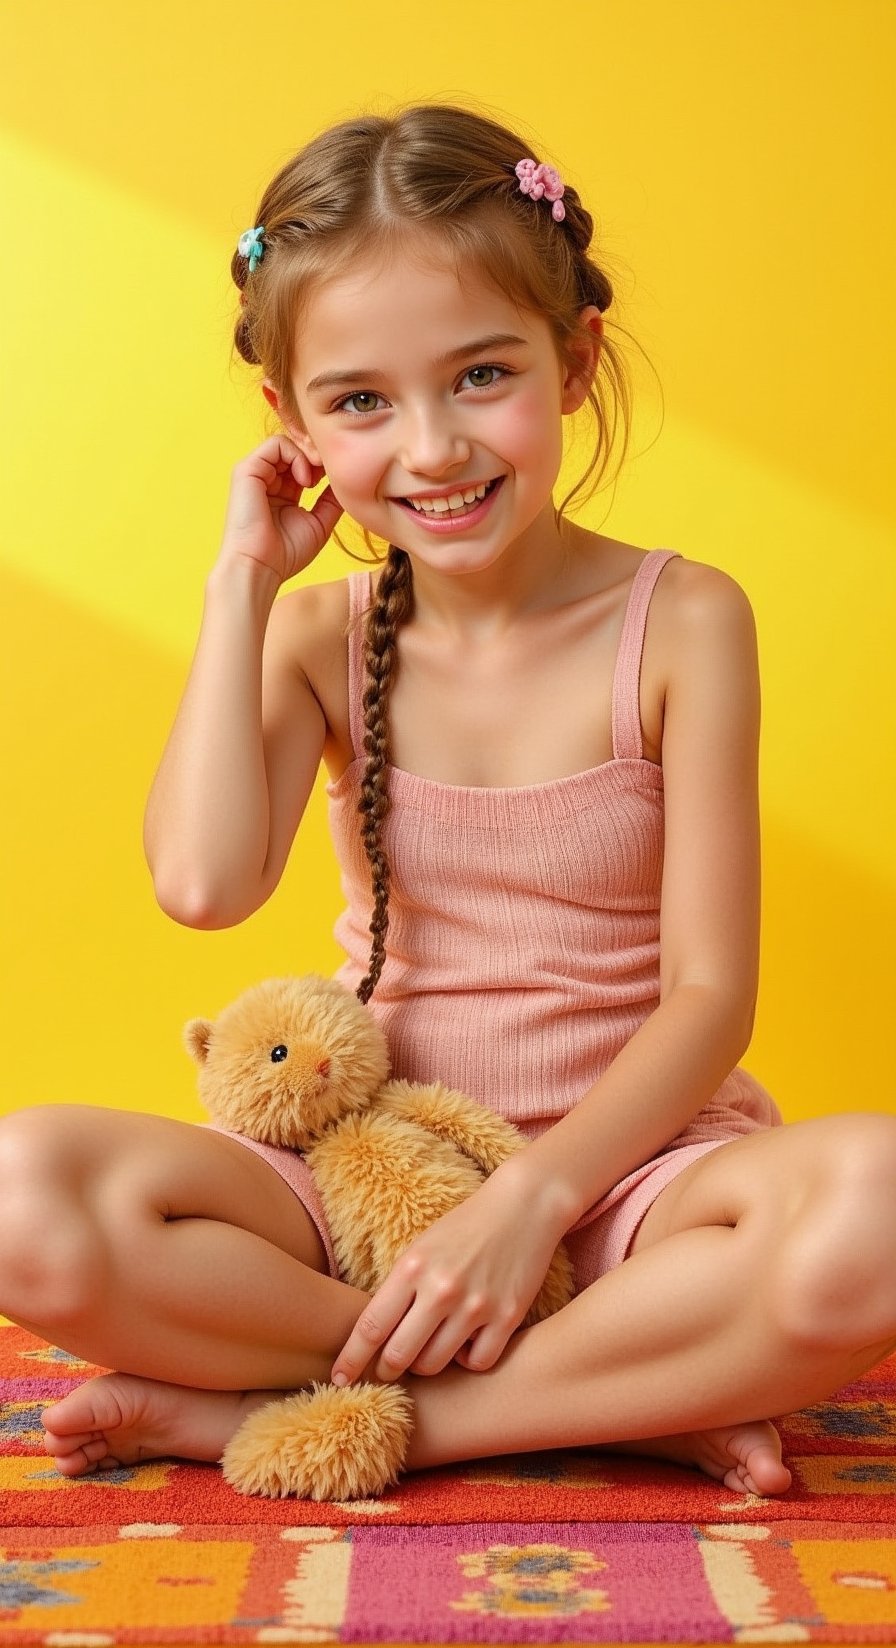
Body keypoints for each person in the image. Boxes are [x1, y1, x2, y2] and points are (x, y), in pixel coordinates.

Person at [4, 104, 894, 1499]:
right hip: (365, 1177)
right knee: (24, 1195)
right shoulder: (315, 634)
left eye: (482, 375)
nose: (430, 449)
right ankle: (621, 1395)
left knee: (881, 1209)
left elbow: (711, 994)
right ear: (293, 428)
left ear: (574, 359)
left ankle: (328, 1413)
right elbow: (201, 883)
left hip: (632, 1191)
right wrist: (241, 584)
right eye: (360, 402)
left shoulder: (686, 622)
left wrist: (538, 1202)